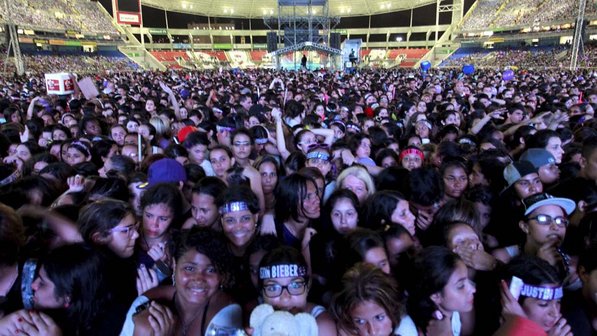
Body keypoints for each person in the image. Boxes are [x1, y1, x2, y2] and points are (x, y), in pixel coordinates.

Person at [122, 227, 242, 335]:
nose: (199, 279)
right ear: (174, 265)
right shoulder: (147, 304)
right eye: (189, 268)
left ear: (221, 275)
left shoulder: (226, 313)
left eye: (211, 270)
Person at [257, 246, 337, 334]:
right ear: (262, 291)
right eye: (273, 288)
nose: (285, 298)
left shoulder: (321, 325)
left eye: (295, 285)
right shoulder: (256, 323)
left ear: (308, 286)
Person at [330, 263, 416, 336]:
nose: (372, 331)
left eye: (379, 317)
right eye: (360, 321)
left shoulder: (406, 329)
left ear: (393, 310)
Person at [408, 246, 476, 336]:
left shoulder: (453, 312)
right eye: (461, 286)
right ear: (435, 296)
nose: (473, 289)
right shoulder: (408, 331)